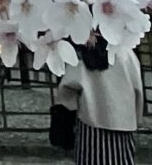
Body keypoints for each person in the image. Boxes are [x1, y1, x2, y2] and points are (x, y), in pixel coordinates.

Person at [58, 31, 146, 165]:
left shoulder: (85, 56)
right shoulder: (126, 53)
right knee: (122, 159)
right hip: (123, 122)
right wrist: (137, 119)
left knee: (91, 159)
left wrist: (69, 107)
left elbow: (66, 87)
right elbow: (138, 90)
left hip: (92, 120)